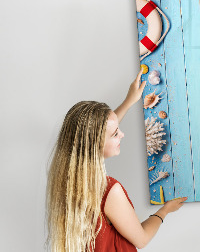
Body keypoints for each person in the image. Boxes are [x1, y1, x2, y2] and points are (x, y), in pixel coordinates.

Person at [46, 70, 187, 252]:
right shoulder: (109, 191)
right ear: (94, 144)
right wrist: (164, 211)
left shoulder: (66, 178)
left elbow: (99, 132)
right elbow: (142, 239)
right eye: (115, 134)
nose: (122, 134)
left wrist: (129, 101)